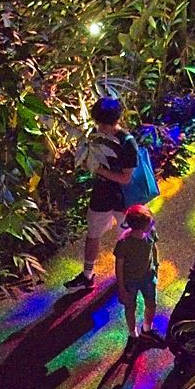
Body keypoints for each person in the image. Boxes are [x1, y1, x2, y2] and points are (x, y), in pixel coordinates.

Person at [70, 96, 138, 288]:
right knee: (93, 233)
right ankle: (87, 274)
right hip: (101, 194)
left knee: (127, 236)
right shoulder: (95, 136)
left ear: (115, 121)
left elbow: (125, 178)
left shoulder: (127, 143)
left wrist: (98, 170)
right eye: (99, 123)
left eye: (104, 124)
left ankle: (129, 271)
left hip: (123, 198)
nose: (100, 128)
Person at [114, 205, 161, 347]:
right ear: (140, 227)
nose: (153, 224)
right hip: (130, 281)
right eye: (150, 222)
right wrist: (121, 288)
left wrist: (156, 265)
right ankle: (133, 335)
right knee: (130, 307)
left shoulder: (151, 232)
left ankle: (147, 329)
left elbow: (153, 247)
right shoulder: (124, 243)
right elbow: (119, 266)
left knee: (151, 303)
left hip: (148, 276)